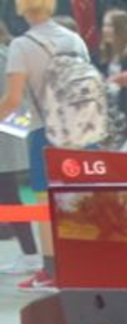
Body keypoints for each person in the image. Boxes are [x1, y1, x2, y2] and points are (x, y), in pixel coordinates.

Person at [0, 0, 94, 291]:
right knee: (75, 199)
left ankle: (51, 271)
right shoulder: (73, 39)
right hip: (80, 130)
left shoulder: (22, 46)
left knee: (45, 204)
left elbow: (13, 100)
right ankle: (83, 264)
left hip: (46, 131)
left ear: (22, 8)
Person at [0, 22, 39, 276]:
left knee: (9, 194)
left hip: (5, 133)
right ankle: (29, 253)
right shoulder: (8, 53)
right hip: (10, 131)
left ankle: (30, 254)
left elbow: (11, 99)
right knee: (8, 194)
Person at [98, 7, 127, 147]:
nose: (105, 29)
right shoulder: (102, 57)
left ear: (121, 28)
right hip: (108, 118)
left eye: (109, 25)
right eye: (104, 25)